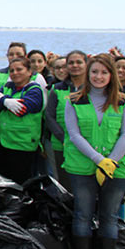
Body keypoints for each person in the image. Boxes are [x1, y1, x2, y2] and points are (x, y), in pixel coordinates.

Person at [64, 54, 125, 249]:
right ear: (88, 74)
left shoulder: (122, 101)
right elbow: (74, 134)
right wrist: (99, 160)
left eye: (104, 72)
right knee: (83, 214)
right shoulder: (73, 100)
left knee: (109, 216)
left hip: (117, 168)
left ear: (111, 75)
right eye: (95, 72)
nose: (99, 77)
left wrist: (111, 162)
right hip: (83, 167)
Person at [0, 57, 45, 185]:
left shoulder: (34, 90)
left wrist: (3, 100)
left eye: (19, 69)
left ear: (29, 71)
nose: (15, 73)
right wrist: (6, 101)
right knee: (4, 182)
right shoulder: (7, 87)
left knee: (23, 184)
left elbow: (21, 109)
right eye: (12, 70)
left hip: (22, 145)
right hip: (1, 143)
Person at [45, 50, 87, 190]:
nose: (75, 65)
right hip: (61, 144)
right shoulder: (57, 89)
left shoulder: (92, 88)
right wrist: (64, 138)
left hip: (88, 145)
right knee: (64, 185)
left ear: (86, 64)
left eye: (79, 62)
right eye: (71, 63)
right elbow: (50, 116)